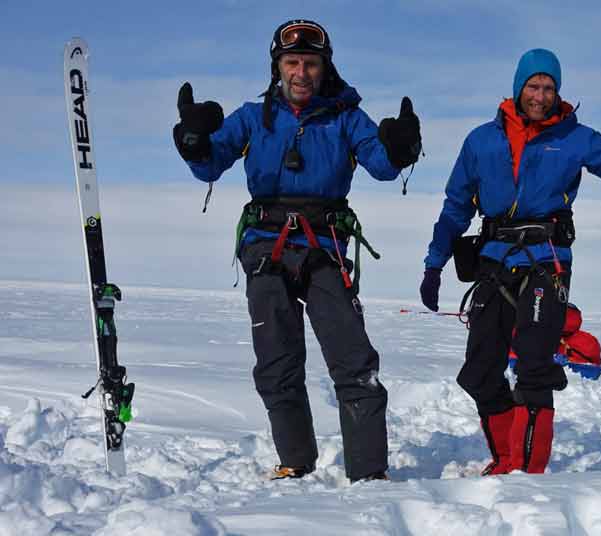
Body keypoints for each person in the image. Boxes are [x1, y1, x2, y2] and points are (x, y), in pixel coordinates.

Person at [419, 48, 601, 475]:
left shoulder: (575, 138)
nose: (540, 95)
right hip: (493, 262)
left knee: (534, 367)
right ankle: (506, 458)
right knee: (479, 371)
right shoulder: (481, 140)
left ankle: (526, 476)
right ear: (518, 87)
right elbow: (455, 206)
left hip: (547, 263)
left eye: (549, 87)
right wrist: (435, 263)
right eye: (533, 85)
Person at [172, 19, 421, 482]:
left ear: (325, 69)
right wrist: (192, 140)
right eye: (292, 63)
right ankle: (294, 462)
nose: (301, 72)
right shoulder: (251, 117)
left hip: (324, 246)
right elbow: (209, 165)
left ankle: (369, 474)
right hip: (266, 245)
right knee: (277, 360)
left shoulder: (347, 117)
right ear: (277, 67)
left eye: (310, 63)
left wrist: (402, 148)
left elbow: (383, 166)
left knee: (353, 359)